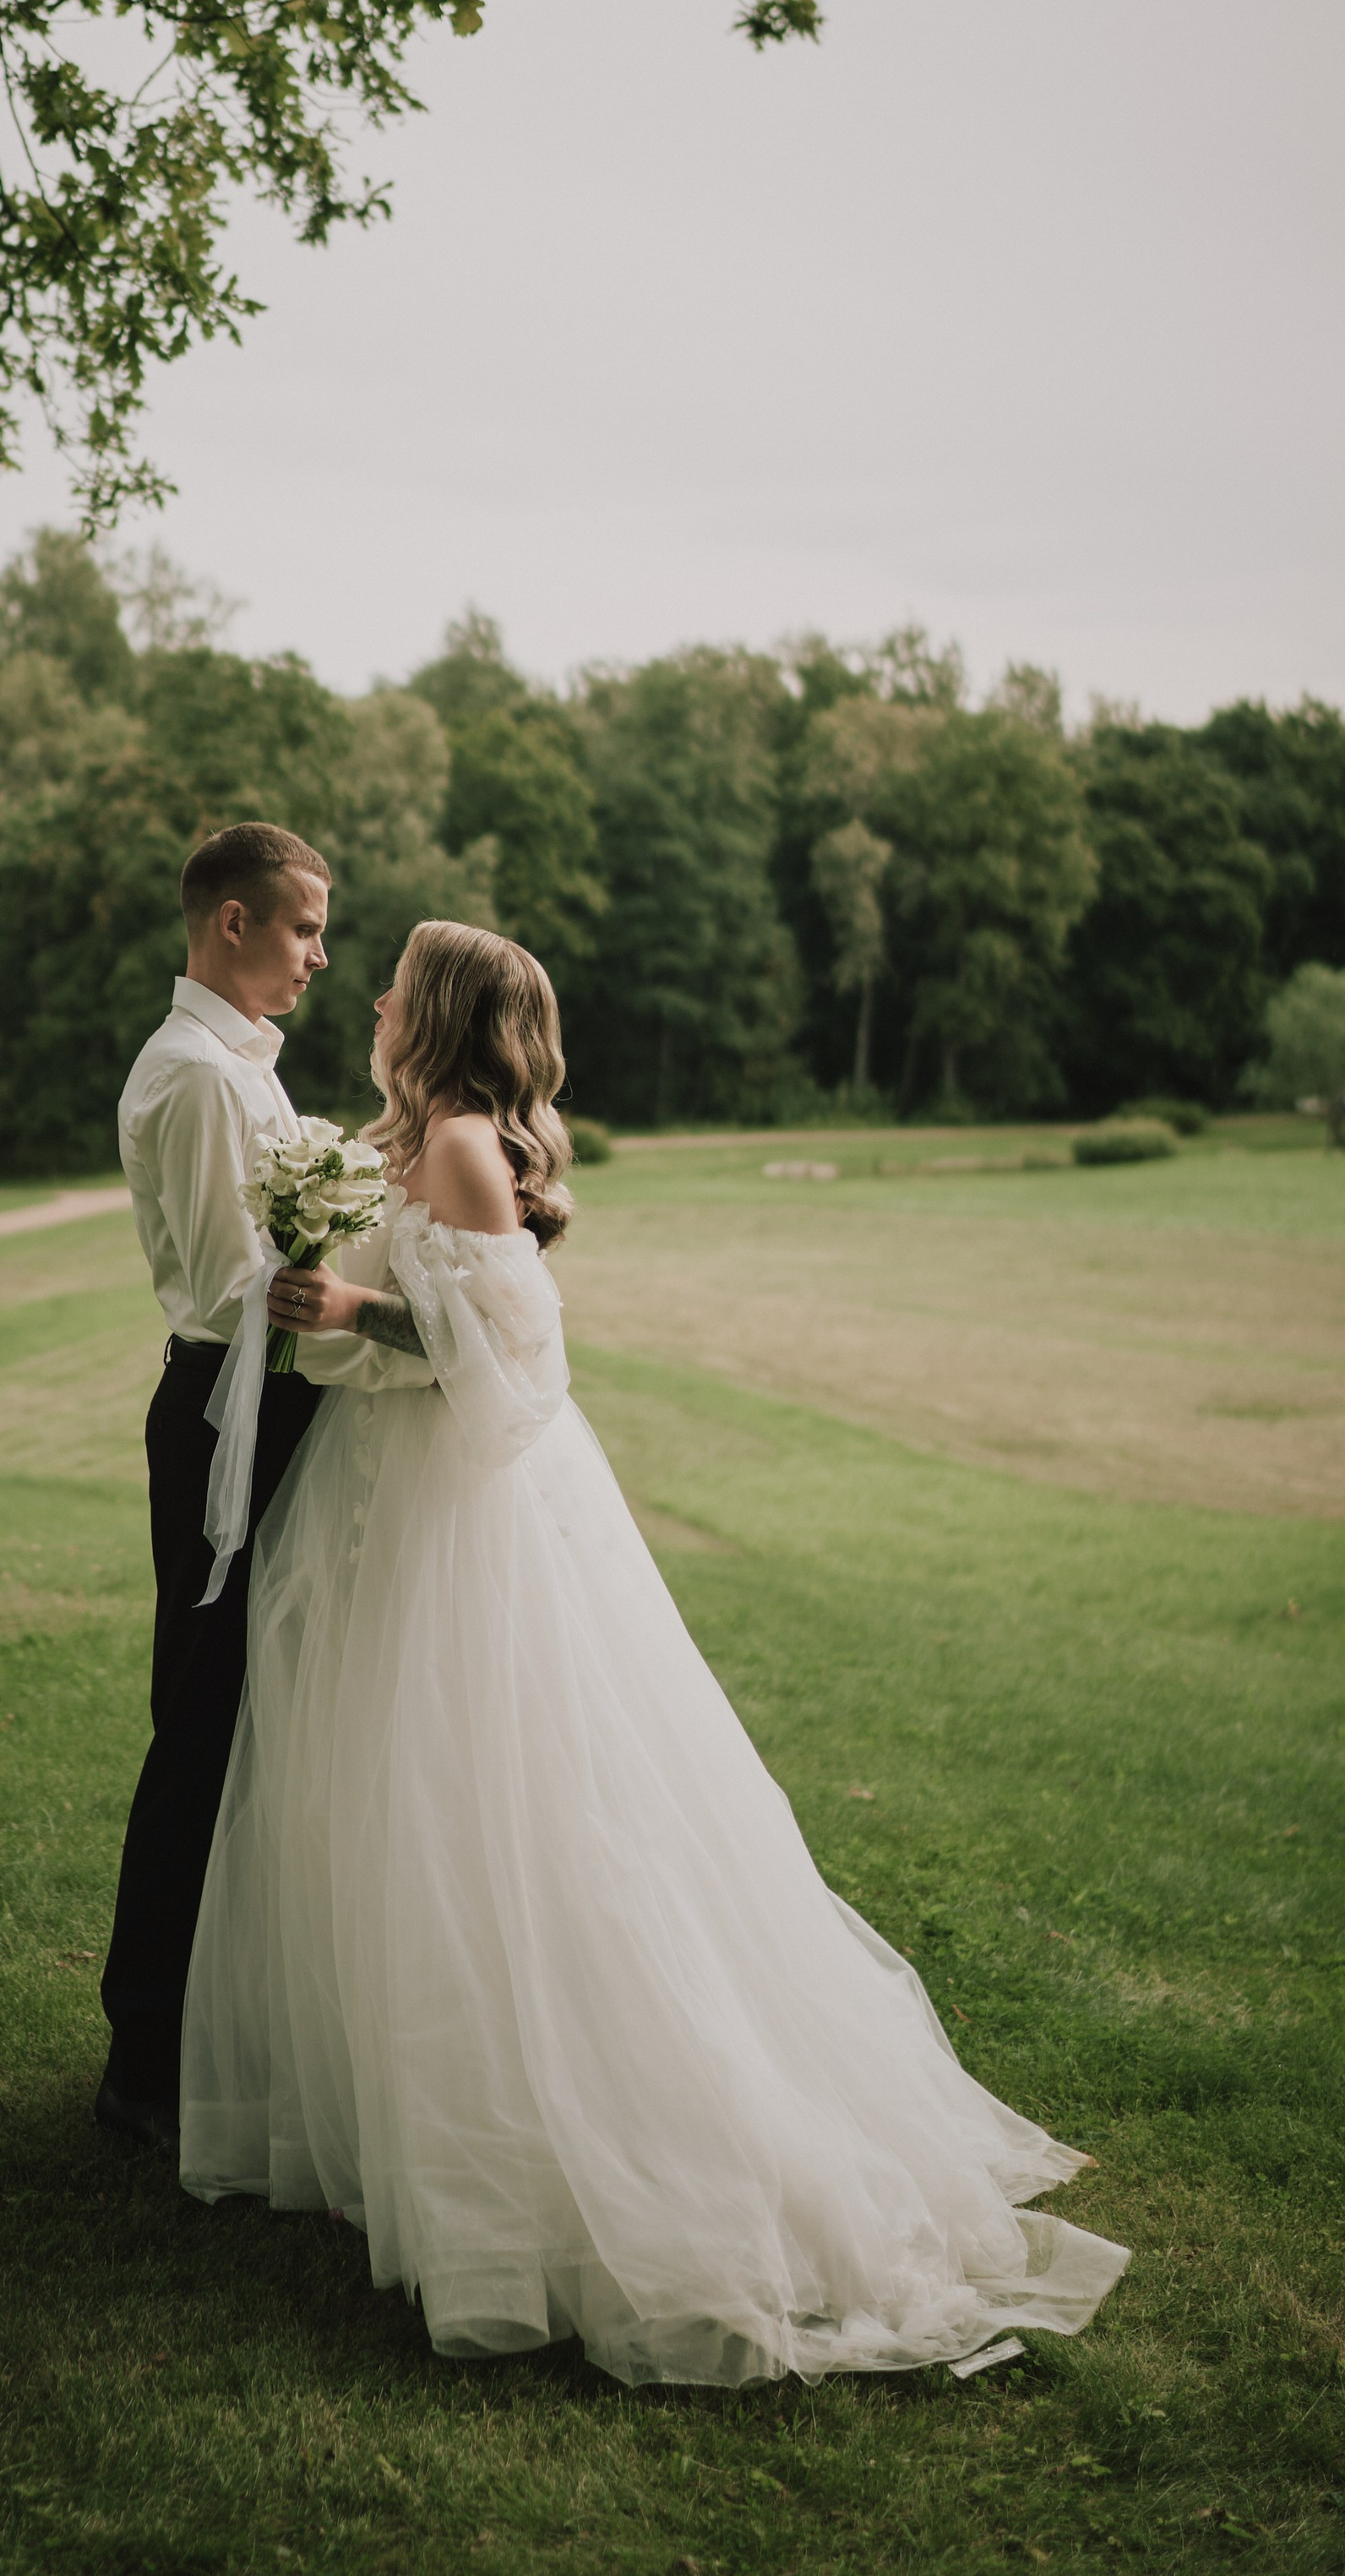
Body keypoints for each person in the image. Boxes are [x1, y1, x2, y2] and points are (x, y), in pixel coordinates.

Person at [181, 920, 1130, 2386]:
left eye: (391, 983)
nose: (367, 997)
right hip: (381, 1499)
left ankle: (588, 2157)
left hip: (466, 1524)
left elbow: (519, 1364)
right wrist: (332, 1308)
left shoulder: (467, 1149)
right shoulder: (412, 1137)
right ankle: (418, 2122)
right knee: (395, 1820)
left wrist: (359, 1304)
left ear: (435, 1012)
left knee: (506, 1825)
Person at [95, 820, 335, 2154]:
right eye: (300, 928)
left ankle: (219, 2025)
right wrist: (379, 1313)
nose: (315, 956)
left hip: (269, 1399)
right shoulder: (196, 1077)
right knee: (195, 1723)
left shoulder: (242, 1066)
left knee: (243, 1722)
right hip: (222, 1415)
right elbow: (238, 1293)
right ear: (230, 924)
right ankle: (146, 2057)